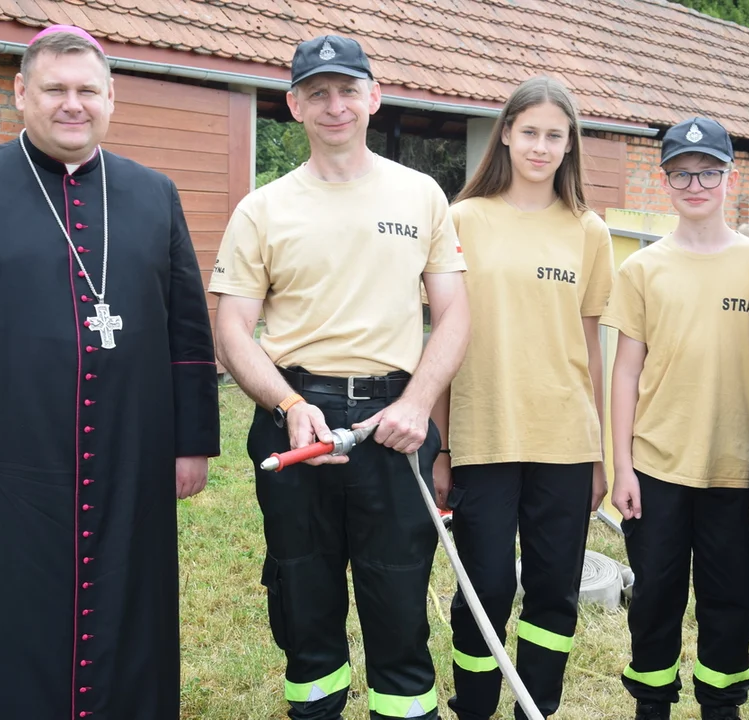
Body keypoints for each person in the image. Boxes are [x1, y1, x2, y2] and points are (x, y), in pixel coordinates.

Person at [0, 25, 220, 720]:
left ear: (111, 98)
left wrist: (192, 440)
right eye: (54, 90)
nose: (71, 105)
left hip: (128, 456)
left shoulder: (153, 193)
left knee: (125, 606)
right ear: (21, 95)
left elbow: (188, 330)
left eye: (87, 91)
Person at [208, 34, 469, 720]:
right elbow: (232, 328)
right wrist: (288, 402)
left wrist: (417, 405)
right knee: (303, 599)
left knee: (397, 599)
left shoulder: (420, 195)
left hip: (393, 425)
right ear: (293, 104)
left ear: (373, 98)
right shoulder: (261, 210)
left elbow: (454, 315)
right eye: (317, 93)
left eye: (348, 90)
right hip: (297, 422)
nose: (334, 106)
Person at [431, 76, 614, 720]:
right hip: (484, 434)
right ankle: (475, 706)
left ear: (570, 148)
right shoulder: (461, 219)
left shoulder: (589, 231)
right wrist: (443, 444)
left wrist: (599, 456)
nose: (540, 146)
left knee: (553, 593)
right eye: (529, 131)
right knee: (484, 586)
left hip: (564, 439)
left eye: (554, 136)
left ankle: (539, 707)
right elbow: (441, 343)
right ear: (506, 133)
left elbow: (591, 349)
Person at [604, 117, 749, 720]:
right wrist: (621, 465)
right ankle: (651, 702)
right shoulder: (644, 269)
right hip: (657, 466)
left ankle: (720, 704)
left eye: (709, 171)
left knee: (731, 597)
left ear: (731, 177)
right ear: (665, 182)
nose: (696, 183)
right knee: (655, 593)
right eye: (682, 173)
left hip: (734, 468)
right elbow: (625, 372)